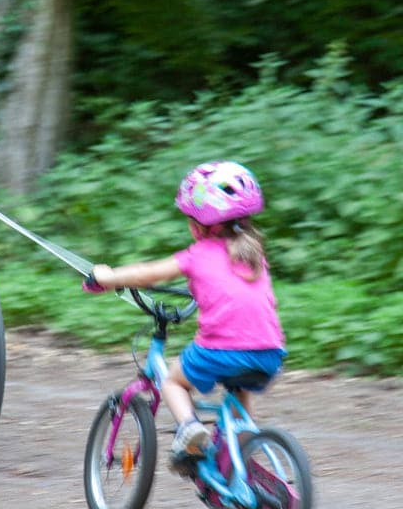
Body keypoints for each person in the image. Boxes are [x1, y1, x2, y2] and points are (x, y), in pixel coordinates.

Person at [86, 161, 286, 472]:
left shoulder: (197, 255)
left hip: (221, 350)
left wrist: (107, 276)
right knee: (239, 395)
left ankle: (190, 429)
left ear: (199, 225)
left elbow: (146, 274)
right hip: (270, 353)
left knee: (173, 383)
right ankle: (241, 462)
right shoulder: (254, 253)